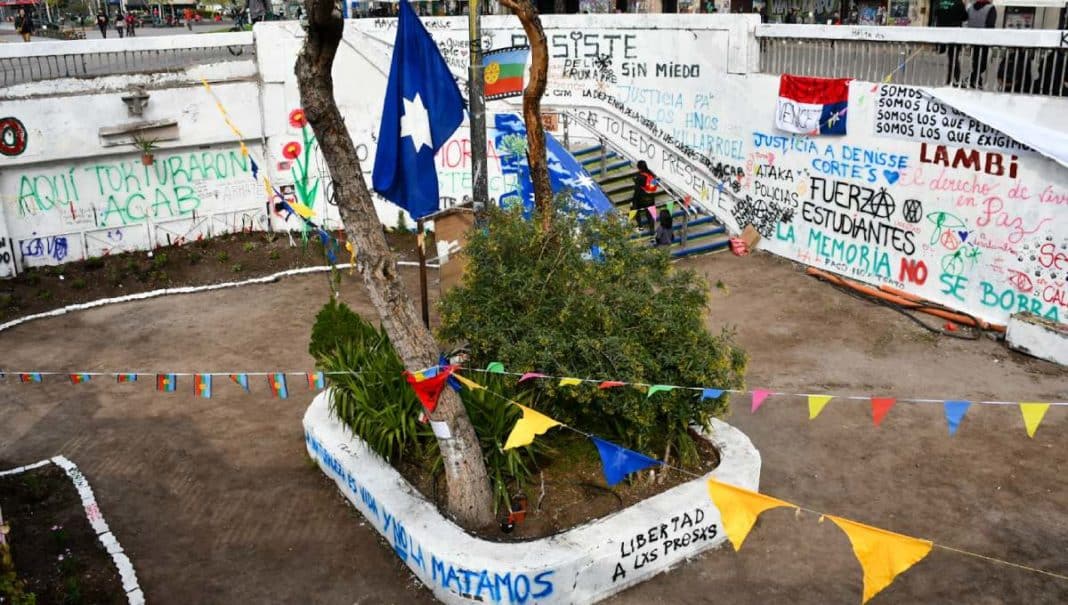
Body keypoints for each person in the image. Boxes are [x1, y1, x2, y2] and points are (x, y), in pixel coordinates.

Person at [932, 0, 967, 85]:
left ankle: (952, 79)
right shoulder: (958, 3)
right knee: (953, 57)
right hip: (954, 34)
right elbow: (965, 17)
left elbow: (935, 14)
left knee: (952, 58)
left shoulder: (940, 2)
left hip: (943, 33)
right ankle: (955, 79)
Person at [966, 0, 997, 89]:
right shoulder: (991, 8)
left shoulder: (970, 7)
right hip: (984, 40)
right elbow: (991, 24)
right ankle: (973, 79)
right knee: (982, 63)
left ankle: (975, 80)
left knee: (975, 60)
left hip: (973, 39)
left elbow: (966, 21)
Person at [630, 161, 659, 231]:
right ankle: (652, 231)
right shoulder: (652, 175)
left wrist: (633, 201)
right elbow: (654, 186)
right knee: (650, 214)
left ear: (638, 167)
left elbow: (637, 190)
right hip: (651, 198)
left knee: (634, 209)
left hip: (641, 199)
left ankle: (640, 226)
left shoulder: (639, 177)